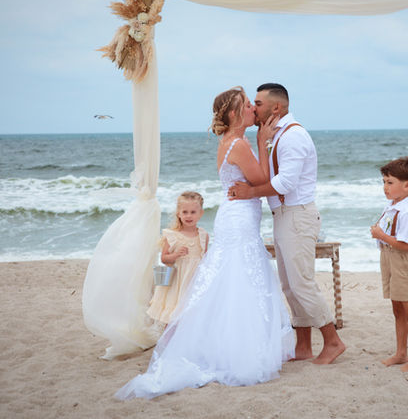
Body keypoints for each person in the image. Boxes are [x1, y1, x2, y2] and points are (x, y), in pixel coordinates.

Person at [116, 87, 294, 400]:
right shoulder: (238, 143)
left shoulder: (230, 142)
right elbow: (263, 180)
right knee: (239, 279)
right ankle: (237, 348)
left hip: (237, 216)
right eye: (247, 105)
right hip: (238, 220)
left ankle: (231, 340)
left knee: (234, 280)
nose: (254, 108)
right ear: (233, 114)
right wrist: (262, 143)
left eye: (254, 103)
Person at [228, 83, 346, 365]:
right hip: (283, 216)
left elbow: (286, 182)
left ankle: (333, 341)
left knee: (302, 283)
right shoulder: (274, 134)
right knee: (289, 285)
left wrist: (251, 192)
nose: (253, 108)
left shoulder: (294, 136)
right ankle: (303, 345)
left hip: (297, 215)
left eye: (257, 103)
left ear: (276, 108)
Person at [370, 156, 408, 372]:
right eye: (384, 182)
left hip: (402, 262)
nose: (385, 187)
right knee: (398, 311)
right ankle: (401, 353)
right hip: (389, 260)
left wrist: (381, 235)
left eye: (390, 182)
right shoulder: (391, 207)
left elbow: (404, 245)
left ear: (406, 185)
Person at [146, 191, 209, 326]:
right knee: (174, 314)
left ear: (200, 213)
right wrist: (176, 255)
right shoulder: (173, 235)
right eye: (185, 212)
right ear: (178, 213)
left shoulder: (204, 235)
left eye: (193, 212)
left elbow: (206, 259)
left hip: (194, 280)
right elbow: (164, 259)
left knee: (192, 313)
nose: (188, 216)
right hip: (177, 281)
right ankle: (169, 341)